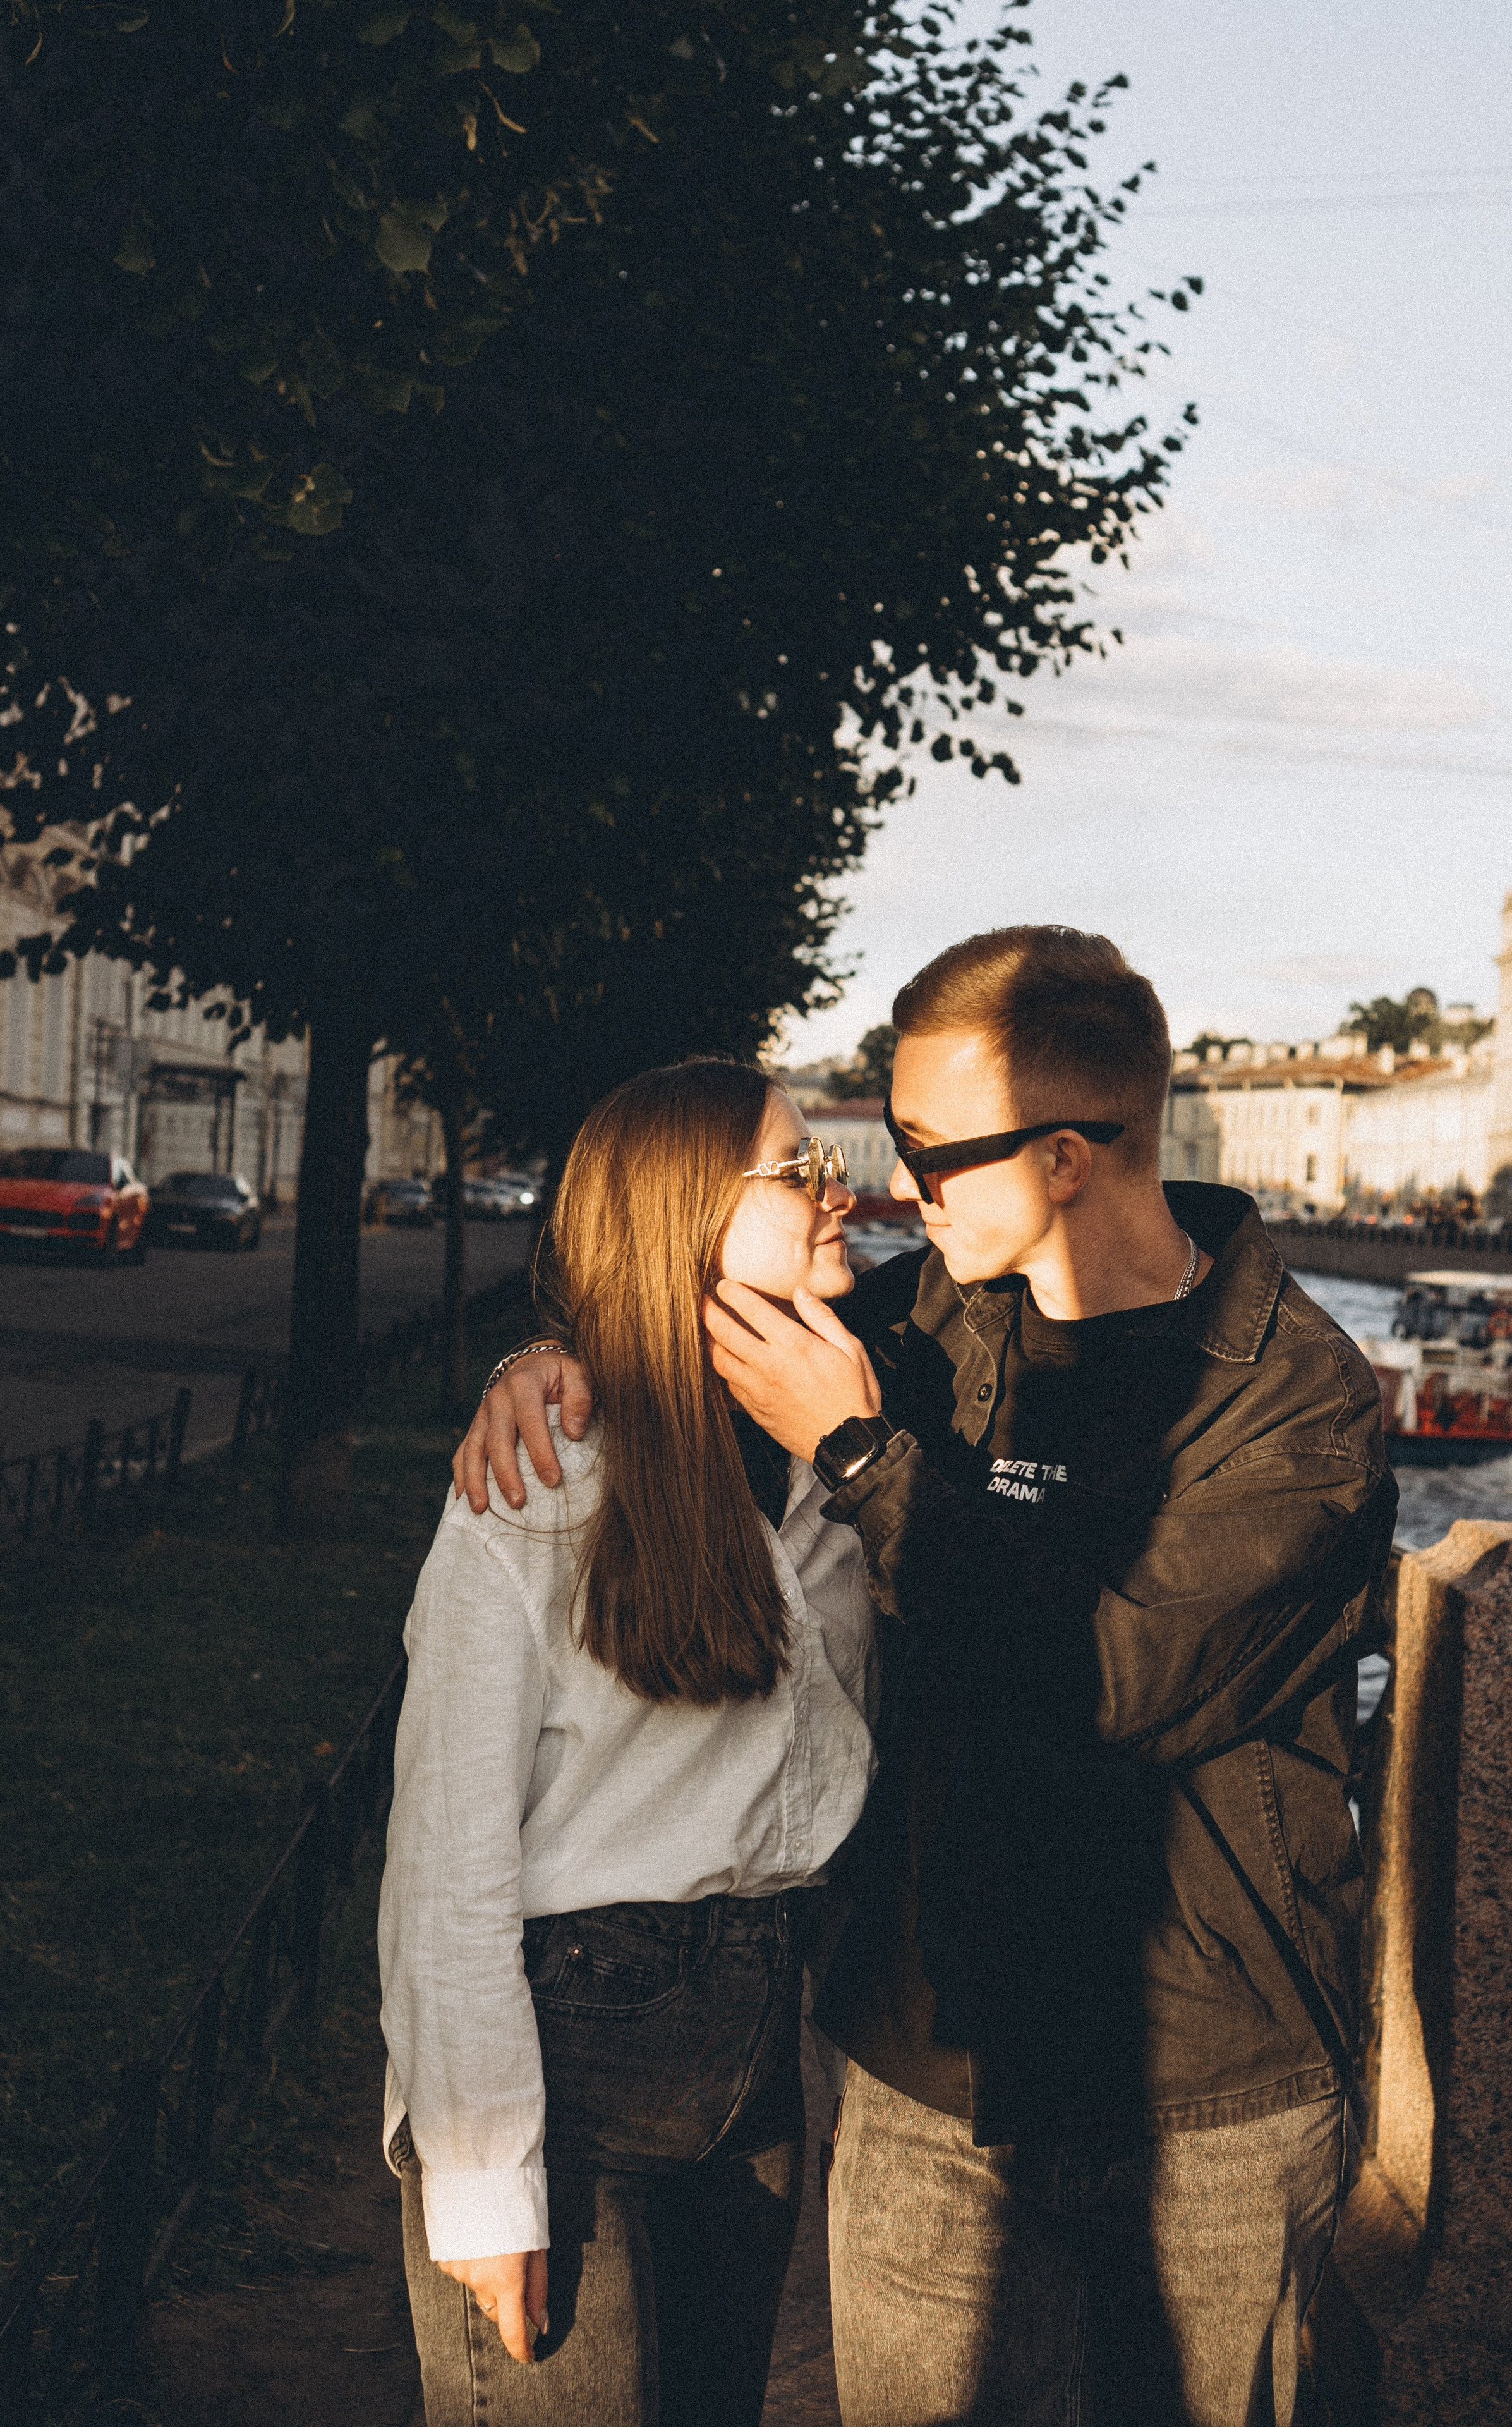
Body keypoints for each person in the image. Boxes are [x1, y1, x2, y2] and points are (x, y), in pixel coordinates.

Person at [456, 927, 1398, 2427]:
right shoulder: (922, 1323)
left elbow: (1116, 1680)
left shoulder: (1295, 1405)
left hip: (1200, 2099)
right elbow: (679, 1307)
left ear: (1068, 1158)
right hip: (920, 2072)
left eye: (930, 1153)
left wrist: (862, 1455)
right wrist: (549, 1361)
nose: (897, 1187)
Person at [379, 1057, 878, 2427]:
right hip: (565, 2066)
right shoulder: (540, 1485)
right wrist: (485, 2180)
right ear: (681, 1216)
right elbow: (445, 1864)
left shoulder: (836, 1445)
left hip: (759, 2068)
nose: (839, 1192)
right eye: (800, 1170)